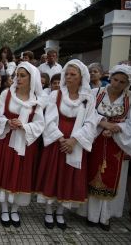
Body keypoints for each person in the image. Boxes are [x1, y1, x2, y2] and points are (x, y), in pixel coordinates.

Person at [35, 59, 99, 230]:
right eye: (67, 74)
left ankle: (61, 211)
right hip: (57, 141)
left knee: (69, 176)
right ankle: (49, 211)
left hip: (75, 143)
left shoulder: (88, 98)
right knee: (52, 174)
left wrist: (74, 140)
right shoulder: (55, 95)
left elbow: (91, 122)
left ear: (81, 78)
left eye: (73, 74)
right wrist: (61, 138)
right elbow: (48, 119)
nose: (68, 77)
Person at [0, 62, 45, 228]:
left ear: (31, 78)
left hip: (26, 144)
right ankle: (5, 209)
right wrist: (8, 122)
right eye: (16, 75)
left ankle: (15, 209)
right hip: (7, 140)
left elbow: (40, 124)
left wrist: (24, 126)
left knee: (21, 174)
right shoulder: (6, 94)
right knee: (5, 172)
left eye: (22, 76)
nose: (18, 79)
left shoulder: (36, 100)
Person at [82, 64, 131, 231]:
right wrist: (104, 124)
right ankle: (89, 215)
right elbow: (87, 114)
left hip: (118, 144)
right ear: (110, 77)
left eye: (122, 82)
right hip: (96, 141)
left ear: (128, 83)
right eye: (115, 79)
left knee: (114, 178)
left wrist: (116, 129)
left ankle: (105, 216)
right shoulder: (95, 93)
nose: (117, 84)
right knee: (91, 174)